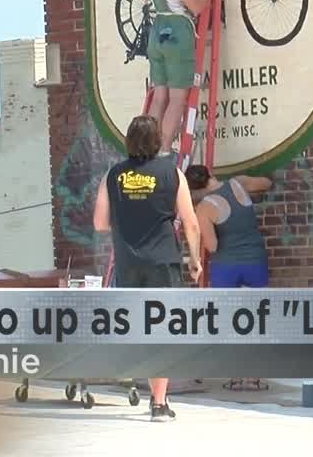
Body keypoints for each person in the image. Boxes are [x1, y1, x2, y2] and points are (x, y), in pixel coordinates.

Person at [93, 115, 203, 422]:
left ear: (128, 141)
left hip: (128, 264)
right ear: (157, 142)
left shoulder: (112, 176)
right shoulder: (172, 173)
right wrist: (193, 260)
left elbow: (100, 223)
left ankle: (140, 383)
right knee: (163, 329)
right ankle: (158, 403)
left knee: (137, 328)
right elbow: (191, 222)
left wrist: (127, 216)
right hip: (163, 263)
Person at [142, 0, 219, 156]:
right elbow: (195, 7)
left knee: (159, 96)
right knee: (177, 99)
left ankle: (149, 149)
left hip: (158, 31)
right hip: (178, 31)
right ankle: (164, 148)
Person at [185, 165, 272, 288]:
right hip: (256, 260)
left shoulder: (204, 207)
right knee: (259, 305)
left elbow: (212, 246)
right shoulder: (239, 183)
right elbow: (267, 183)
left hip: (226, 266)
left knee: (225, 306)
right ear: (209, 173)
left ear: (194, 189)